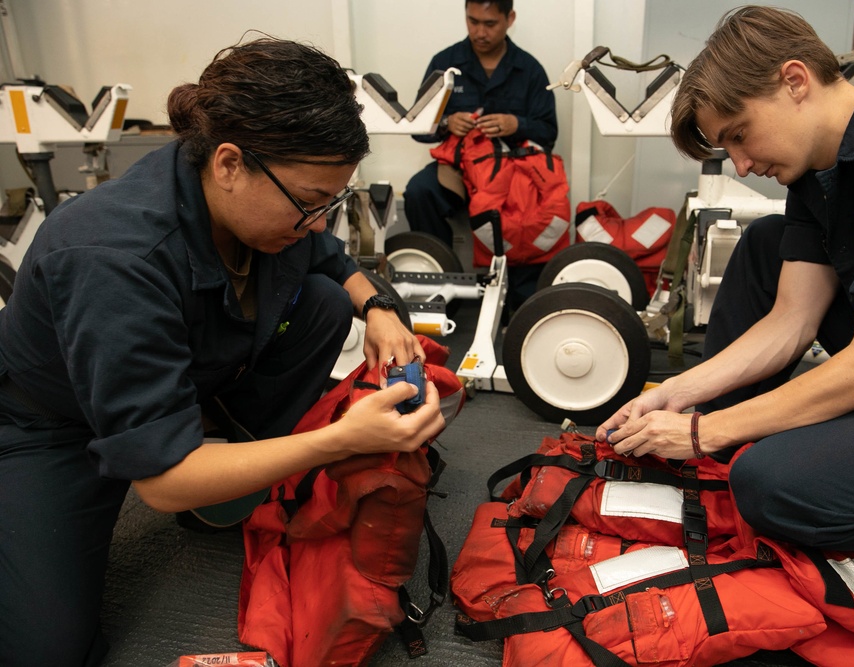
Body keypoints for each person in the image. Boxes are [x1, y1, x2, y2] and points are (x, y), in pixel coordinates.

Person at [0, 37, 445, 666]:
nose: (319, 221)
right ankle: (210, 457)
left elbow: (327, 255)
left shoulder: (247, 196)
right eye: (310, 202)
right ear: (231, 164)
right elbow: (161, 480)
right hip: (51, 425)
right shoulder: (111, 257)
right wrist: (343, 439)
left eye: (332, 201)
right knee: (44, 650)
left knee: (321, 301)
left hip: (187, 370)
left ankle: (225, 463)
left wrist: (376, 308)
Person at [599, 5, 854, 591]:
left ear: (794, 81)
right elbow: (792, 318)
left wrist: (701, 434)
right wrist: (676, 398)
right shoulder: (817, 167)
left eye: (739, 134)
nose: (741, 164)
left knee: (770, 487)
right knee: (765, 245)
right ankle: (748, 447)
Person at [403, 0, 558, 308]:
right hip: (459, 170)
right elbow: (418, 127)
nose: (479, 32)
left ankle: (519, 305)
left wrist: (516, 124)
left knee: (524, 208)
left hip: (512, 172)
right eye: (473, 22)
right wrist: (447, 123)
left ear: (509, 19)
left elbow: (549, 134)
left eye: (490, 24)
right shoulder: (445, 62)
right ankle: (442, 288)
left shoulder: (530, 69)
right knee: (419, 192)